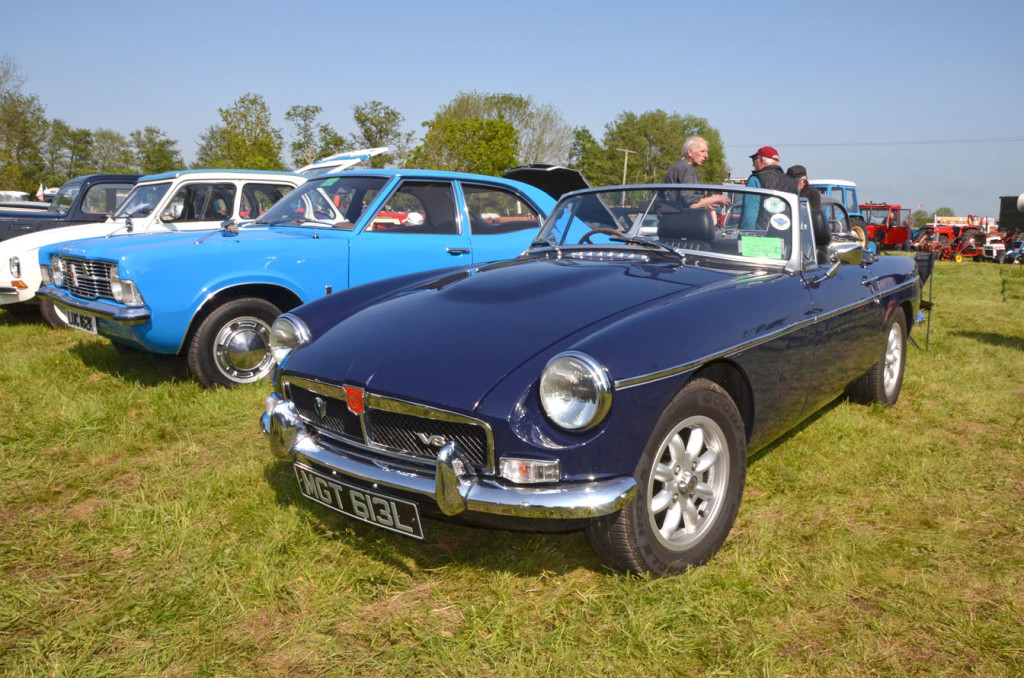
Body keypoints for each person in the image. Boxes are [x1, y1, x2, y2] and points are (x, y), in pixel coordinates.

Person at [663, 136, 731, 210]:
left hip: (668, 217)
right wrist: (717, 198)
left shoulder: (676, 166)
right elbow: (690, 203)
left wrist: (706, 203)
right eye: (702, 151)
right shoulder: (687, 169)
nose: (706, 156)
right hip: (680, 219)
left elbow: (683, 200)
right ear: (690, 152)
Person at [740, 146, 798, 230]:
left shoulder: (755, 179)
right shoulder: (793, 183)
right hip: (788, 239)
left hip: (761, 239)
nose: (753, 164)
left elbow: (749, 217)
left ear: (762, 160)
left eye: (754, 160)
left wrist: (745, 236)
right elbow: (797, 214)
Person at [787, 164, 829, 248]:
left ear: (804, 182)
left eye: (793, 183)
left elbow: (811, 219)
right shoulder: (787, 193)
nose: (790, 185)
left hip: (805, 239)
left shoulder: (812, 194)